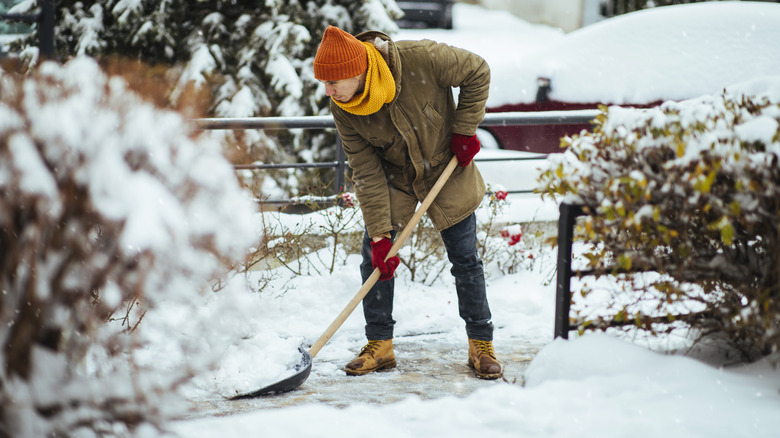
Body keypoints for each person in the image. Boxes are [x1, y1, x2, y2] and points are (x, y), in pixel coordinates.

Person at [312, 26, 502, 380]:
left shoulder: (420, 59)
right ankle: (379, 345)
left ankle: (481, 342)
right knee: (375, 256)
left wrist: (464, 130)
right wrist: (382, 234)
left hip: (447, 165)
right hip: (395, 179)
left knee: (464, 258)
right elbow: (366, 172)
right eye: (324, 83)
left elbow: (478, 70)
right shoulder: (345, 108)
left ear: (358, 71)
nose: (328, 91)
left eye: (333, 81)